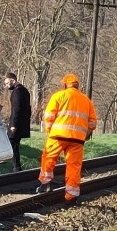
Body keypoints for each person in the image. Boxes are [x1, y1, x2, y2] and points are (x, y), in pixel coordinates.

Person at [36, 74, 97, 205]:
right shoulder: (87, 100)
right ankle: (71, 197)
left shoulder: (58, 96)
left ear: (65, 84)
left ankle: (46, 184)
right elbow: (92, 123)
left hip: (57, 136)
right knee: (74, 166)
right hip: (78, 140)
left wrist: (50, 131)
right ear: (77, 86)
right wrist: (83, 135)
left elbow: (48, 116)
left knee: (48, 158)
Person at [4, 72, 31, 171]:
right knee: (14, 144)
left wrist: (13, 125)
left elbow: (16, 109)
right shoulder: (25, 91)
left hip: (16, 124)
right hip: (22, 123)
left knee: (12, 143)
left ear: (13, 80)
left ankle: (16, 168)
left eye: (7, 83)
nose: (6, 86)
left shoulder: (17, 92)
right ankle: (17, 167)